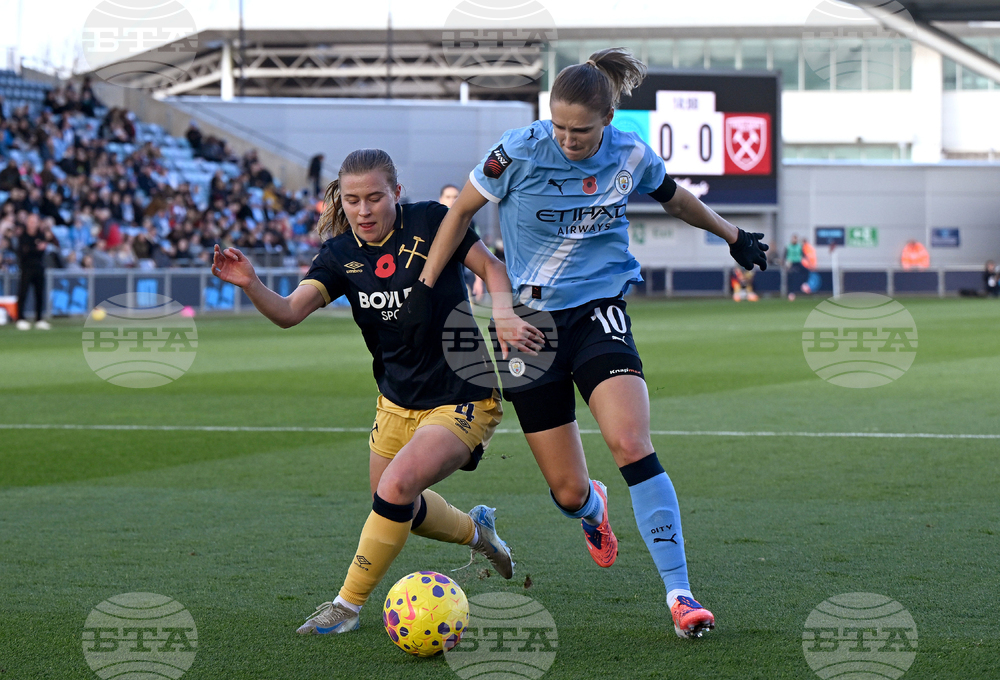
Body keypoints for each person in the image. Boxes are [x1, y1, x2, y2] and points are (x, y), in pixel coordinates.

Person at [400, 48, 768, 639]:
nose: (568, 139)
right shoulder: (517, 149)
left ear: (608, 119)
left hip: (599, 309)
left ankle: (680, 595)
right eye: (560, 126)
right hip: (528, 324)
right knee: (568, 491)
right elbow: (461, 212)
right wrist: (424, 286)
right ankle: (592, 510)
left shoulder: (630, 153)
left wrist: (732, 235)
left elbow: (674, 197)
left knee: (630, 443)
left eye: (581, 129)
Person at [211, 148, 540, 636]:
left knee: (395, 491)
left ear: (396, 193)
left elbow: (491, 269)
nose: (363, 210)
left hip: (462, 393)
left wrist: (506, 313)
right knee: (394, 505)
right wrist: (252, 282)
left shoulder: (432, 221)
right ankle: (478, 532)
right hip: (395, 400)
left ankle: (345, 606)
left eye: (374, 198)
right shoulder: (340, 254)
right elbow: (288, 312)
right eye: (352, 200)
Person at [15, 213, 54, 330]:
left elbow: (41, 251)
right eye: (30, 221)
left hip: (39, 268)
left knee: (39, 294)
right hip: (26, 268)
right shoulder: (23, 236)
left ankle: (39, 319)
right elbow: (23, 252)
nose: (32, 224)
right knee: (23, 293)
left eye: (35, 221)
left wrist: (33, 249)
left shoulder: (40, 234)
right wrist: (36, 248)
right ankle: (20, 318)